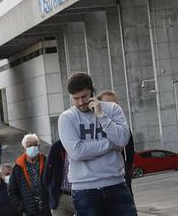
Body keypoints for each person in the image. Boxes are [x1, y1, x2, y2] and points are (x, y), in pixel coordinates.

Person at [57, 71, 136, 215]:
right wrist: (111, 144)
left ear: (92, 91)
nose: (80, 102)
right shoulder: (67, 118)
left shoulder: (113, 109)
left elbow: (123, 139)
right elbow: (77, 152)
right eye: (76, 98)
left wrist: (101, 116)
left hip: (116, 184)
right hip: (84, 190)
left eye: (84, 97)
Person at [97, 90, 136, 193]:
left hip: (121, 178)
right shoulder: (94, 130)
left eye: (116, 104)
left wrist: (127, 174)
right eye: (109, 104)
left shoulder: (123, 130)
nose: (113, 107)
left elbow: (130, 153)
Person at [8, 133, 52, 215]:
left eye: (35, 145)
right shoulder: (17, 168)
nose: (32, 147)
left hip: (49, 209)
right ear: (24, 148)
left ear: (39, 146)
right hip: (29, 211)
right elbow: (12, 192)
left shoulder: (48, 162)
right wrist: (21, 207)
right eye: (29, 145)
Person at [44, 139, 76, 216]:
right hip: (61, 198)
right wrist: (53, 192)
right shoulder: (57, 147)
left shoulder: (83, 143)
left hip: (81, 195)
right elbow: (47, 175)